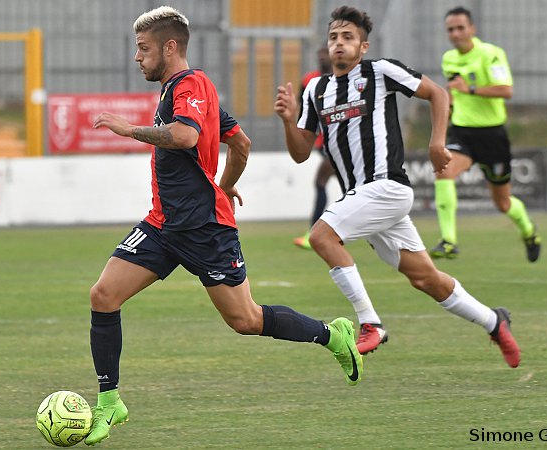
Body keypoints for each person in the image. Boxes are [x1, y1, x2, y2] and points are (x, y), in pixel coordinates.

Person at [86, 6, 362, 446]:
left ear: (169, 47)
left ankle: (333, 335)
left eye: (143, 48)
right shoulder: (179, 91)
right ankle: (109, 402)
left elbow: (186, 136)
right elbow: (240, 141)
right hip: (163, 226)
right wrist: (226, 182)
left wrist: (129, 130)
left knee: (246, 320)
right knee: (103, 295)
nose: (137, 57)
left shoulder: (191, 85)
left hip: (204, 230)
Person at [274, 5, 521, 361]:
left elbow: (438, 93)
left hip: (388, 185)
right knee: (426, 279)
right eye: (333, 37)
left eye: (348, 37)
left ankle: (370, 323)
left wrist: (437, 142)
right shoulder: (316, 89)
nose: (339, 44)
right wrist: (288, 120)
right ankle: (494, 322)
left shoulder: (380, 72)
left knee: (321, 236)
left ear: (363, 47)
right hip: (363, 198)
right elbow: (300, 153)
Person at [430, 6, 541, 261]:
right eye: (450, 30)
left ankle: (528, 230)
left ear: (472, 29)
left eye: (460, 28)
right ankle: (449, 240)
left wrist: (469, 88)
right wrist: (446, 118)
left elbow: (505, 90)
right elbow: (454, 96)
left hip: (492, 136)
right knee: (443, 170)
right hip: (462, 133)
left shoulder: (491, 54)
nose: (456, 34)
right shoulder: (449, 58)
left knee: (503, 203)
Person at [293, 47, 334, 250]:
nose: (321, 56)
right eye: (319, 53)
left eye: (325, 53)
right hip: (321, 142)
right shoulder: (309, 80)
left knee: (321, 181)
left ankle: (315, 233)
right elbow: (303, 112)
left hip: (338, 141)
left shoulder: (343, 80)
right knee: (347, 186)